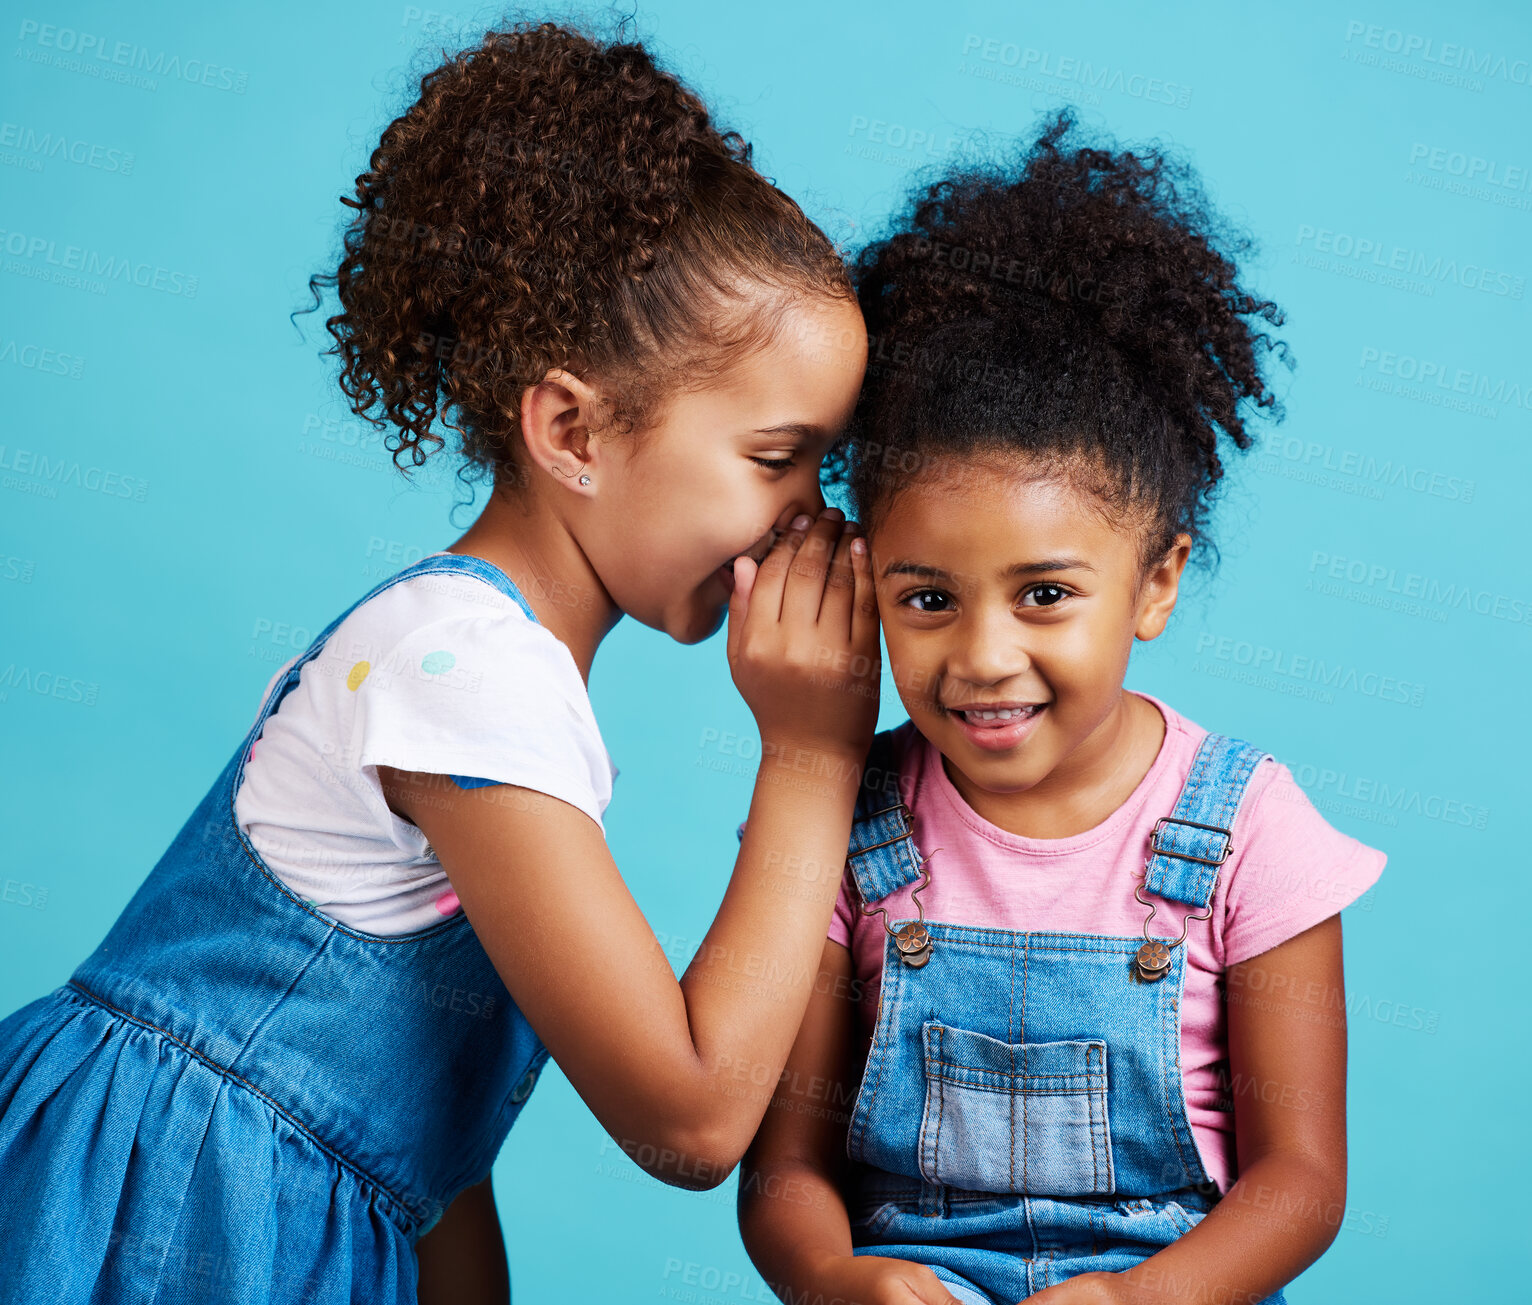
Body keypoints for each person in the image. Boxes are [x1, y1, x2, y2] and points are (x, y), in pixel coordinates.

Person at [0, 20, 879, 1304]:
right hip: (161, 1227)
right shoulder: (462, 672)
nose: (811, 512)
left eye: (825, 464)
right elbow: (688, 1123)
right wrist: (810, 754)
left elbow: (416, 1153)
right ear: (572, 427)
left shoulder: (470, 671)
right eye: (772, 457)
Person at [735, 109, 1386, 1305]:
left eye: (1043, 593)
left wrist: (1133, 1300)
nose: (983, 656)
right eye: (925, 597)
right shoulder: (846, 820)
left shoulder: (1250, 828)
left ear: (1154, 583)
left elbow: (1298, 1183)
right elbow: (783, 1168)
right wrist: (837, 1280)